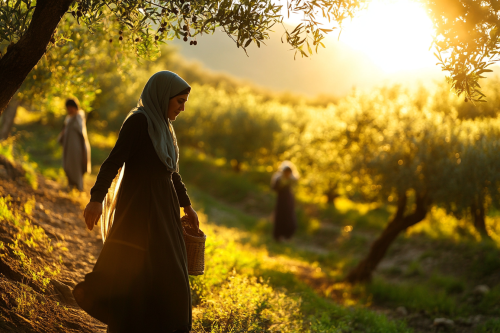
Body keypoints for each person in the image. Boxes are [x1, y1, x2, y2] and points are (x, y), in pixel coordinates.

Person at [72, 71, 200, 333]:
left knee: (172, 274)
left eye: (184, 102)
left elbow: (171, 171)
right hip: (139, 213)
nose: (182, 108)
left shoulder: (164, 127)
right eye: (179, 102)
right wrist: (96, 199)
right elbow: (113, 162)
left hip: (164, 213)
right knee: (135, 272)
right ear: (163, 97)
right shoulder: (140, 122)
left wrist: (186, 205)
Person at [58, 98, 91, 191]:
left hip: (77, 149)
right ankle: (71, 186)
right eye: (68, 108)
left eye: (71, 107)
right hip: (69, 148)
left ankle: (79, 188)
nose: (69, 110)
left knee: (76, 167)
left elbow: (82, 135)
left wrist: (84, 152)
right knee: (68, 166)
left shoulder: (78, 117)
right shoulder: (69, 118)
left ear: (75, 107)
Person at [271, 161, 299, 241]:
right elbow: (274, 188)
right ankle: (278, 236)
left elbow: (295, 187)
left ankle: (287, 236)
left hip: (289, 201)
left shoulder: (293, 179)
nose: (287, 173)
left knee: (290, 218)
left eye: (288, 172)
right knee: (280, 218)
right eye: (285, 172)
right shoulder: (278, 179)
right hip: (281, 201)